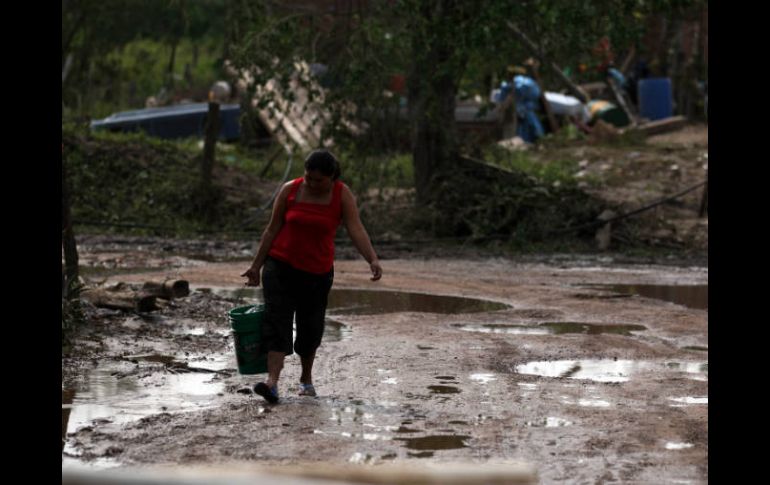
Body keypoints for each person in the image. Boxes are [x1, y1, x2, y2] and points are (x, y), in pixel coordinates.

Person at [241, 150, 382, 404]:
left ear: (332, 177)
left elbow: (355, 228)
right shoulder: (289, 190)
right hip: (280, 267)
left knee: (311, 327)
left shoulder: (342, 195)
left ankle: (306, 379)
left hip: (317, 273)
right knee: (277, 322)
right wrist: (256, 266)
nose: (312, 184)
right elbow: (272, 229)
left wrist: (371, 258)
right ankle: (272, 383)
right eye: (308, 178)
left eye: (318, 180)